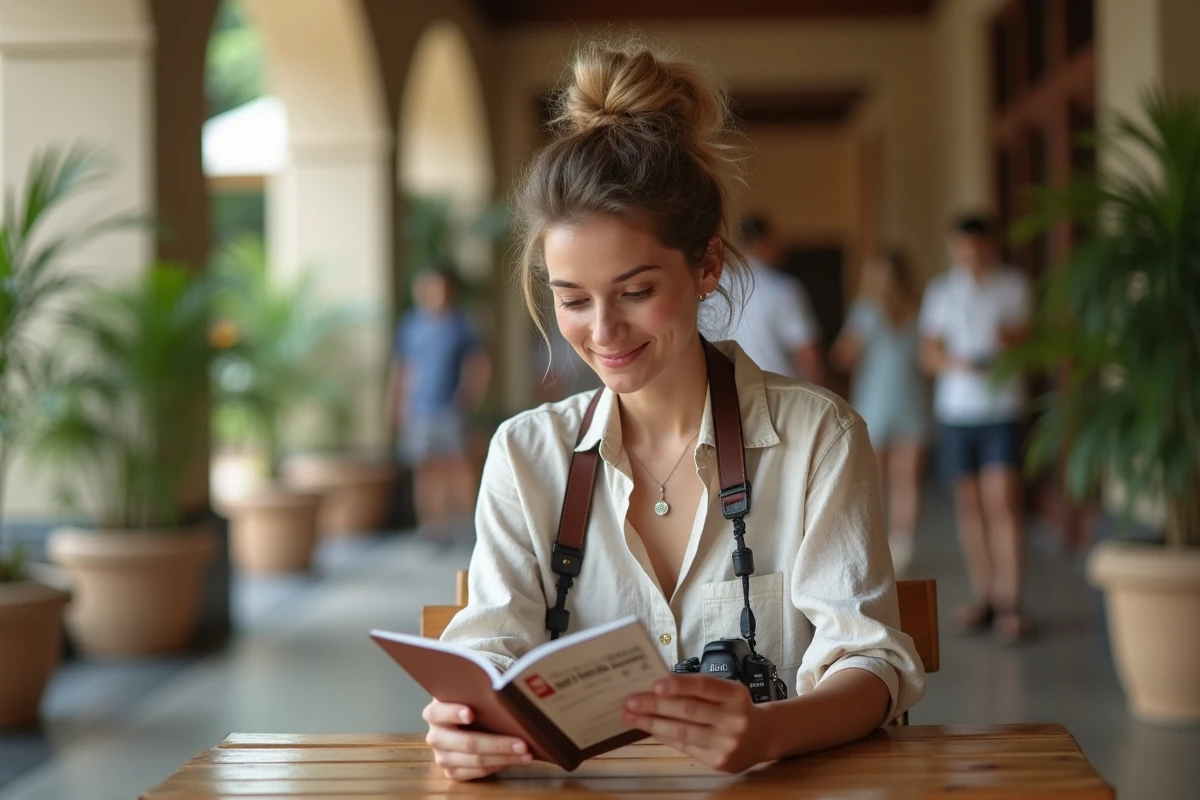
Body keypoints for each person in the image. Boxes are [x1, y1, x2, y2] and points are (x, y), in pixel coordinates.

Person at [422, 40, 924, 782]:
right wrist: (458, 722)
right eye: (571, 300)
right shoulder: (524, 456)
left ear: (707, 266)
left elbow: (872, 659)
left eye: (634, 292)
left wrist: (768, 732)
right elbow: (487, 653)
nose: (603, 331)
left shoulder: (818, 438)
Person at [918, 215, 1032, 644]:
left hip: (1001, 407)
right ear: (954, 248)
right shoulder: (942, 291)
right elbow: (928, 355)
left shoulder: (1014, 286)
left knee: (1003, 500)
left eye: (978, 246)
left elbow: (1031, 338)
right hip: (956, 410)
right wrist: (956, 363)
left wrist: (1010, 341)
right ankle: (984, 595)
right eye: (963, 246)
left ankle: (1011, 599)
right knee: (969, 505)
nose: (971, 254)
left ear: (991, 244)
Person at [831, 249, 931, 577]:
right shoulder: (920, 310)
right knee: (908, 481)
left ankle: (876, 545)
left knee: (874, 480)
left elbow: (843, 356)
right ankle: (903, 545)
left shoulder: (866, 311)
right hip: (912, 402)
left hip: (875, 404)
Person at [386, 265, 492, 547]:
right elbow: (404, 368)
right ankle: (432, 529)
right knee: (425, 469)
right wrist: (397, 403)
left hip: (450, 410)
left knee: (457, 467)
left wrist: (468, 397)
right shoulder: (411, 325)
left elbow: (479, 364)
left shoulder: (462, 324)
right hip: (419, 409)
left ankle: (468, 527)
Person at [720, 213, 824, 384]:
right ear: (763, 242)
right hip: (777, 396)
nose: (781, 247)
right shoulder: (783, 288)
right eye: (776, 240)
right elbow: (807, 354)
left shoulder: (716, 288)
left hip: (727, 395)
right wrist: (819, 397)